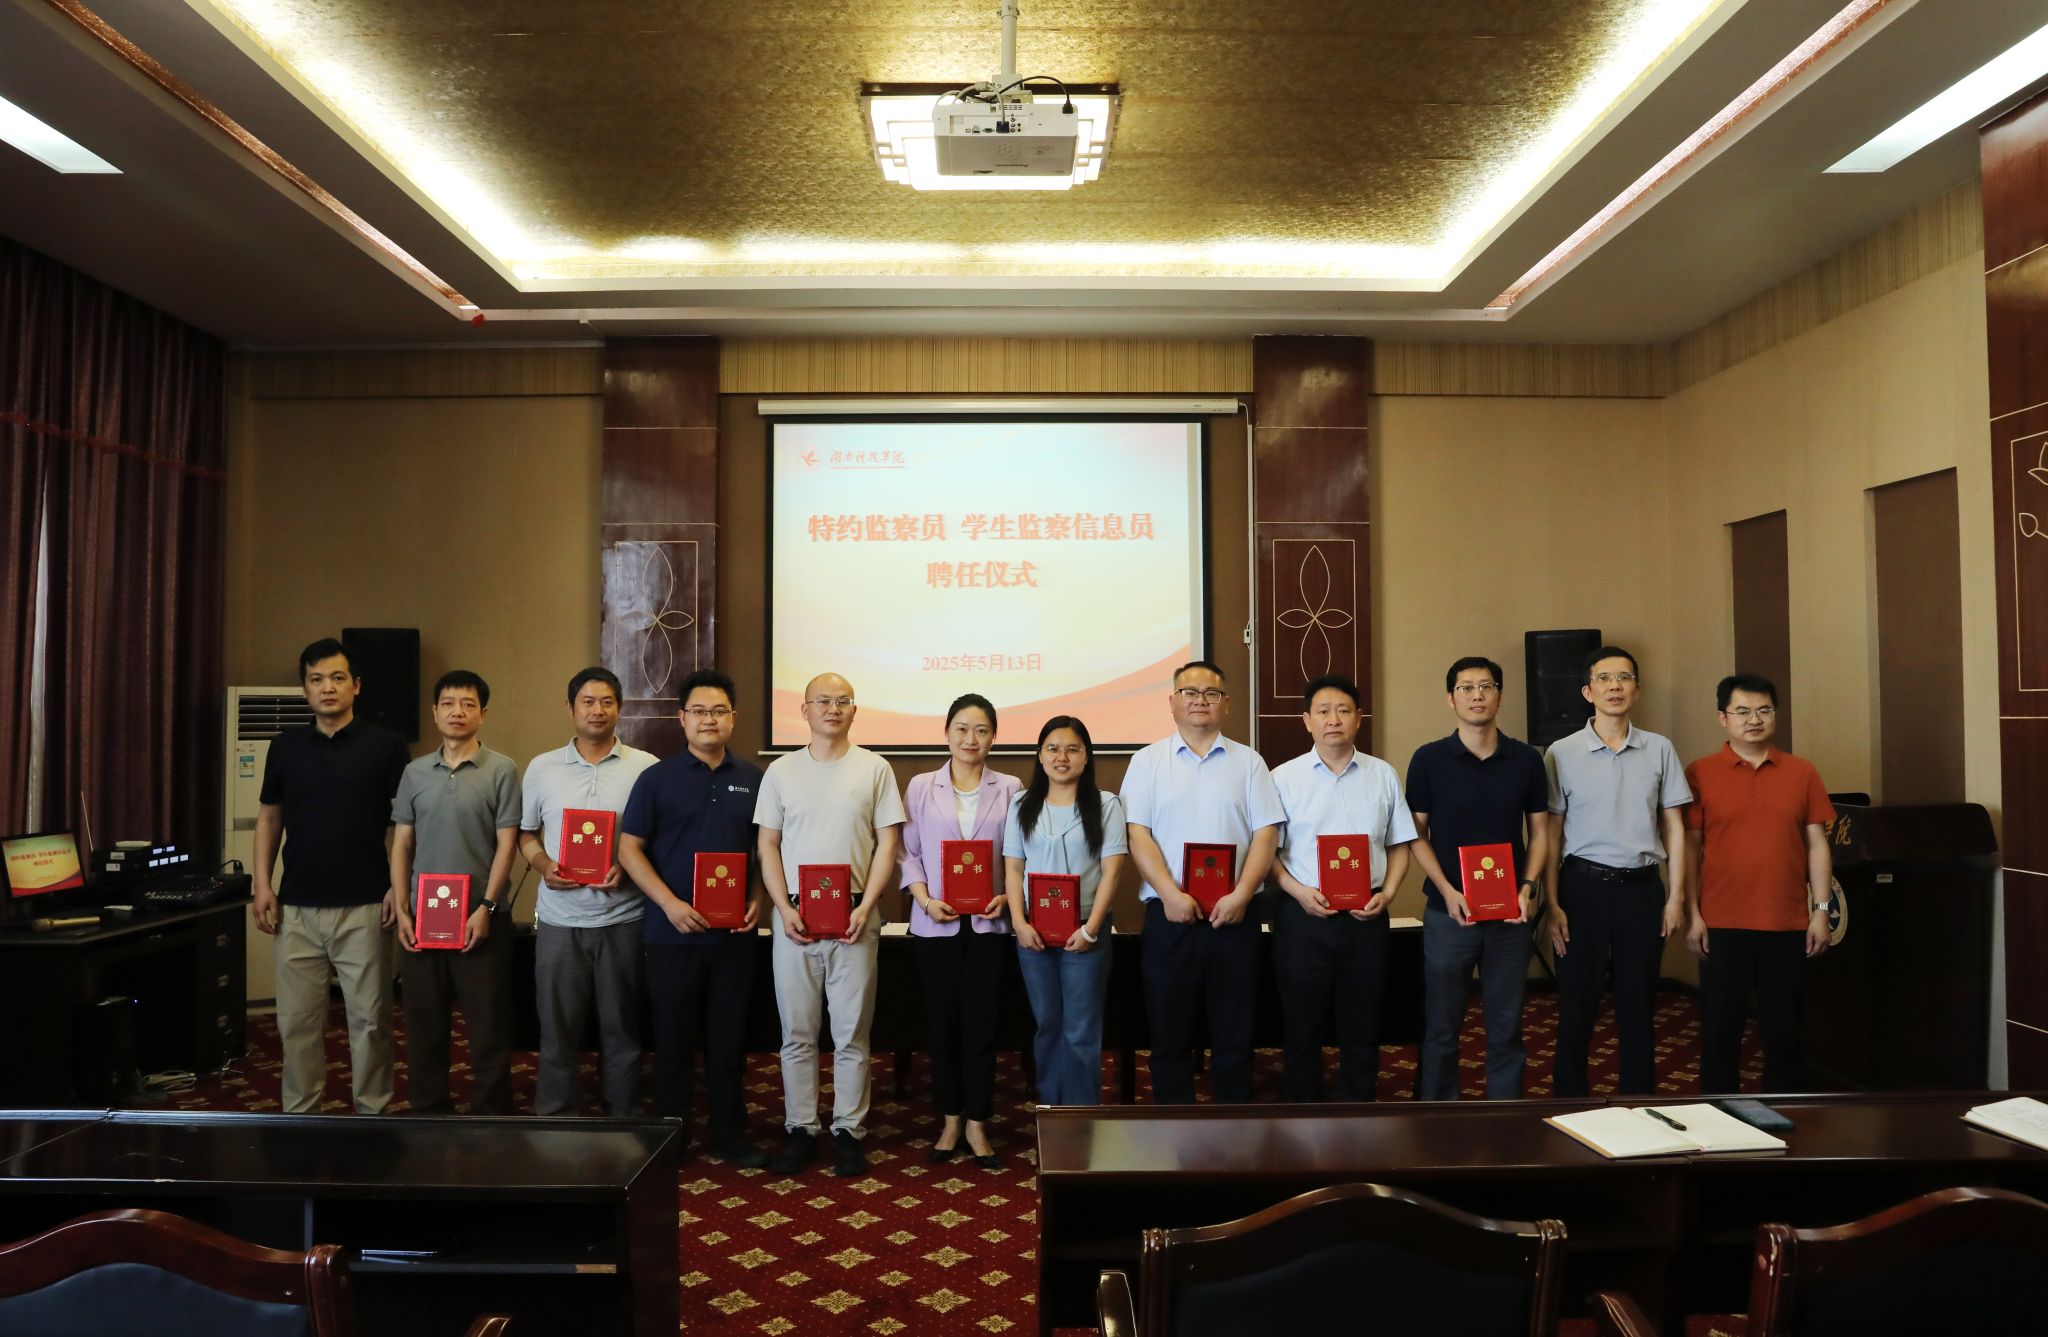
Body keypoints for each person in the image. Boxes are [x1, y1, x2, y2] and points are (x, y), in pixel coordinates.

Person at [251, 637, 411, 1114]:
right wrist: (262, 884)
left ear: (356, 686)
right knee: (296, 1023)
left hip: (367, 905)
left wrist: (397, 888)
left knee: (371, 1022)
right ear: (305, 689)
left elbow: (404, 827)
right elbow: (270, 818)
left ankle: (373, 1114)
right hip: (296, 907)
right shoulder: (284, 747)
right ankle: (301, 1115)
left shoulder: (387, 745)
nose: (327, 687)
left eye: (337, 678)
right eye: (316, 679)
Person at [754, 672, 905, 1176]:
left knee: (851, 1033)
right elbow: (768, 845)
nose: (833, 709)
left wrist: (868, 905)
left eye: (843, 701)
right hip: (794, 917)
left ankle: (848, 1131)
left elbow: (888, 843)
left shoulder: (875, 768)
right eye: (823, 701)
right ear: (805, 711)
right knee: (797, 1032)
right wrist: (783, 906)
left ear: (854, 711)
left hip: (855, 916)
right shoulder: (780, 771)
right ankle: (801, 1128)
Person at [617, 669, 770, 1165]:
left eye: (719, 711)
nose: (709, 719)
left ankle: (730, 1134)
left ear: (733, 718)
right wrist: (669, 903)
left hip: (733, 938)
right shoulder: (655, 779)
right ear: (682, 718)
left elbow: (765, 850)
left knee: (729, 1042)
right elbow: (629, 849)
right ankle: (672, 1135)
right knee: (672, 1041)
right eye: (700, 711)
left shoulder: (755, 779)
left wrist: (758, 898)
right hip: (671, 935)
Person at [1122, 660, 1285, 1105]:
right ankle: (1175, 1127)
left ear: (1226, 704)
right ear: (1172, 702)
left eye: (1211, 693)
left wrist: (1242, 895)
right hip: (1169, 917)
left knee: (1235, 1034)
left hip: (1235, 917)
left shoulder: (1249, 763)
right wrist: (1170, 895)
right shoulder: (1147, 762)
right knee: (1168, 1033)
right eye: (1189, 693)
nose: (1200, 701)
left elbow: (1266, 834)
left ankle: (1232, 1127)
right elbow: (1138, 834)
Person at [1544, 645, 1692, 1096]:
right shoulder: (1561, 752)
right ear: (1587, 691)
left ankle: (1638, 1103)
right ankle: (1569, 1103)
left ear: (1637, 689)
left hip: (1641, 891)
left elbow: (1674, 826)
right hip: (1581, 889)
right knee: (1577, 1004)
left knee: (1638, 1004)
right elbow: (1550, 833)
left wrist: (1676, 897)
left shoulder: (1659, 748)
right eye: (1604, 679)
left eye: (1624, 678)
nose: (1614, 687)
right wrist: (1552, 903)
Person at [1405, 656, 1553, 1100]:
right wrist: (1447, 890)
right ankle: (1438, 1117)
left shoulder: (1526, 760)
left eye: (1486, 686)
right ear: (1450, 699)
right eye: (1466, 688)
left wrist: (1528, 887)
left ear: (1499, 696)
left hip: (1510, 916)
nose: (1477, 695)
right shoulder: (1428, 759)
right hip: (1448, 914)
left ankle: (1502, 1116)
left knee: (1506, 1027)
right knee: (1441, 1028)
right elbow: (1415, 834)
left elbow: (1540, 833)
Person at [1683, 674, 1836, 1094]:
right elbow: (1690, 848)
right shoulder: (1699, 773)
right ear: (1723, 718)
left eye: (1764, 710)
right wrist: (1692, 913)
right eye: (1743, 711)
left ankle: (1785, 1114)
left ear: (1775, 715)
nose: (1754, 719)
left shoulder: (1802, 772)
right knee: (1719, 1033)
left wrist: (1821, 912)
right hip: (1720, 924)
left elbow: (1817, 845)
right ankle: (1718, 1115)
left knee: (1784, 1033)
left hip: (1786, 923)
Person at [518, 667, 658, 1117]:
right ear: (570, 707)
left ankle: (622, 1117)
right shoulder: (542, 768)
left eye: (607, 702)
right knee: (558, 1030)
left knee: (622, 1029)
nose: (597, 710)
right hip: (559, 921)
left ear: (620, 708)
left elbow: (657, 840)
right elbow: (526, 835)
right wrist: (544, 866)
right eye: (588, 701)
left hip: (624, 919)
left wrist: (629, 868)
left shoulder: (646, 768)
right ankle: (557, 1118)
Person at [1270, 673, 1417, 1101]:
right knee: (1301, 1027)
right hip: (1302, 917)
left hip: (1365, 918)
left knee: (1363, 1025)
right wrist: (1297, 891)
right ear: (1307, 720)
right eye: (1323, 711)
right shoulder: (1282, 778)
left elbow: (1399, 844)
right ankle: (1303, 1116)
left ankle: (1359, 1114)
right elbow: (1269, 855)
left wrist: (1388, 893)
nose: (1333, 719)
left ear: (1358, 718)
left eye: (1343, 710)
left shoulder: (1382, 774)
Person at [389, 669, 521, 1114]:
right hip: (423, 920)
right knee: (423, 1024)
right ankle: (429, 1112)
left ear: (483, 714)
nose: (457, 712)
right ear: (434, 712)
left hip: (482, 918)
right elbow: (402, 843)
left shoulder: (501, 770)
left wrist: (487, 907)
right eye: (448, 703)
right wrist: (402, 908)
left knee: (488, 1026)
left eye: (468, 704)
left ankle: (492, 1115)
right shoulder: (414, 772)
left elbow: (507, 844)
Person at [901, 694, 1021, 1168]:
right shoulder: (920, 786)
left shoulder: (1009, 787)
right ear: (947, 733)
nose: (971, 739)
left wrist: (1008, 896)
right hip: (936, 924)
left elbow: (1018, 853)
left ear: (994, 737)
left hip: (990, 923)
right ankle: (950, 1118)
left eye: (981, 730)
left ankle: (978, 1121)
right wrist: (925, 899)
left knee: (982, 1025)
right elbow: (908, 852)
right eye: (962, 729)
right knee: (943, 1024)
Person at [1006, 716, 1128, 1108]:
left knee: (1080, 1030)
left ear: (1086, 756)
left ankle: (1079, 1117)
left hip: (1085, 931)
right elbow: (1013, 868)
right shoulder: (1021, 805)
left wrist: (1091, 929)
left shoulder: (1106, 805)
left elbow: (1112, 871)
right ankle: (1050, 1110)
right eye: (1053, 749)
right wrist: (1019, 923)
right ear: (1040, 755)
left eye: (1072, 749)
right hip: (1034, 933)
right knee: (1047, 1026)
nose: (1062, 757)